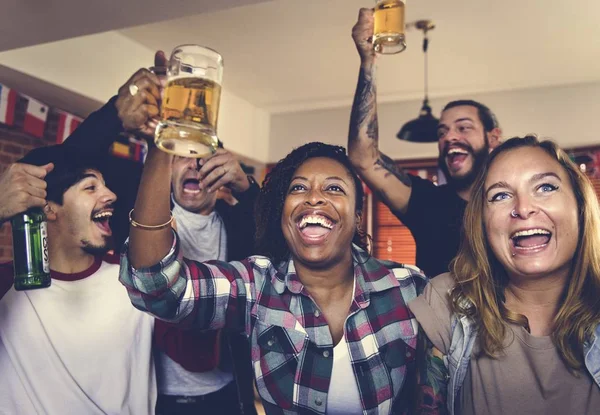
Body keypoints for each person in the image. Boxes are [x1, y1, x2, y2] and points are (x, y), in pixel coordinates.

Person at [120, 141, 427, 414]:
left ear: (358, 216)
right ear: (283, 216)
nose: (314, 199)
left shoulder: (407, 288)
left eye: (334, 188)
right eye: (298, 188)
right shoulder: (256, 286)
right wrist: (162, 144)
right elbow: (158, 286)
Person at [64, 56, 259, 414]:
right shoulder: (133, 216)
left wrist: (248, 187)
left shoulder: (241, 224)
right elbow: (62, 169)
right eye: (183, 154)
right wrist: (113, 116)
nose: (195, 163)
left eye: (204, 153)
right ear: (167, 166)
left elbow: (283, 242)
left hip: (229, 394)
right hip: (155, 397)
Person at [409, 136, 600, 414]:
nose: (523, 209)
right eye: (500, 195)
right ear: (482, 222)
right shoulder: (447, 301)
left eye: (545, 187)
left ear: (581, 208)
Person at [0, 145, 156, 414]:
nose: (111, 195)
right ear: (48, 208)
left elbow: (197, 361)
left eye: (105, 186)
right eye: (90, 187)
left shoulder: (136, 279)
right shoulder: (6, 283)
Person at [348, 8, 502, 277]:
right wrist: (368, 62)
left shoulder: (512, 204)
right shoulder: (427, 202)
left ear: (493, 138)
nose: (449, 137)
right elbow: (364, 158)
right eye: (442, 132)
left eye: (463, 128)